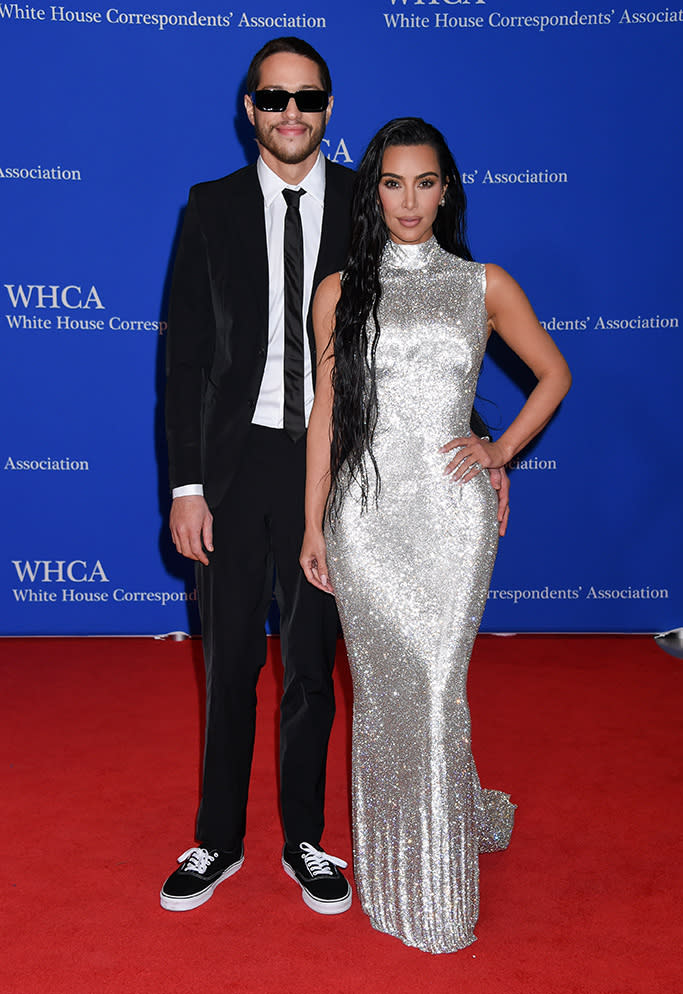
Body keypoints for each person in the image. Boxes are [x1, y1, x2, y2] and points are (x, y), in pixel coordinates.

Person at [162, 37, 508, 918]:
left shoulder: (370, 194)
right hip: (236, 464)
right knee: (231, 656)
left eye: (307, 98)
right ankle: (216, 839)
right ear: (250, 109)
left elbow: (431, 328)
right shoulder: (208, 208)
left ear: (326, 109)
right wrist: (186, 485)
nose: (290, 113)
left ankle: (306, 840)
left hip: (338, 473)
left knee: (312, 665)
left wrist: (480, 444)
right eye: (274, 97)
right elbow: (187, 360)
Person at [300, 118, 571, 952]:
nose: (408, 200)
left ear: (445, 189)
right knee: (385, 700)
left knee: (435, 692)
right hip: (366, 516)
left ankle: (440, 888)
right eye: (391, 182)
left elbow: (554, 373)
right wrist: (313, 522)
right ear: (370, 191)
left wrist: (500, 448)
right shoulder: (340, 292)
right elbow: (327, 417)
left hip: (452, 519)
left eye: (424, 183)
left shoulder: (482, 284)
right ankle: (398, 861)